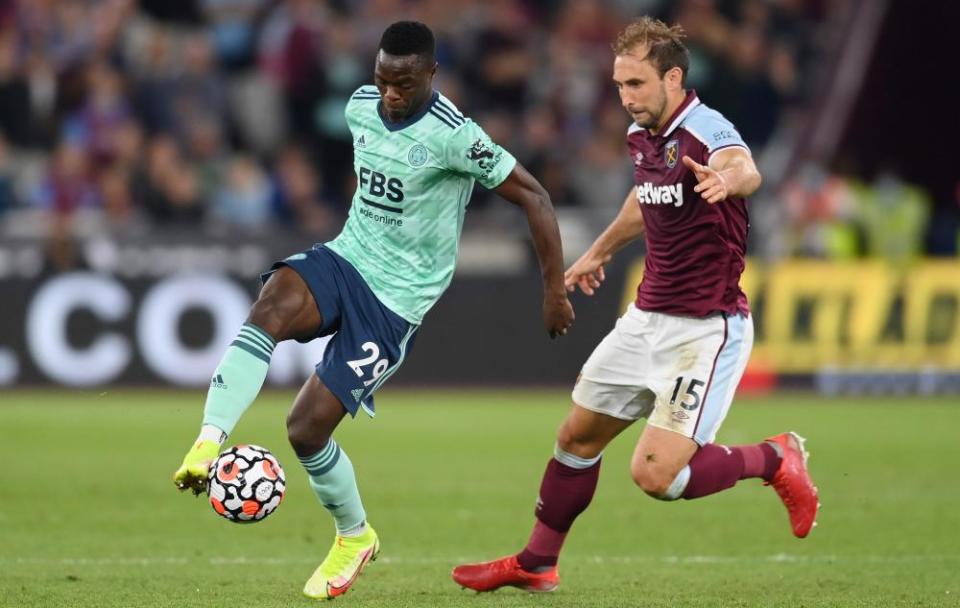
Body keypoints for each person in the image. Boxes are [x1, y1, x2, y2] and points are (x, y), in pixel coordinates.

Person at [172, 21, 575, 600]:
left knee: (305, 430)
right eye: (383, 79)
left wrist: (553, 289)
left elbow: (534, 195)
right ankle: (209, 438)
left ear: (432, 74)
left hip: (395, 301)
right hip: (346, 257)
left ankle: (354, 536)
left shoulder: (456, 136)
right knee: (272, 303)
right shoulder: (360, 106)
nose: (390, 93)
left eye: (404, 84)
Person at [452, 17, 820, 593]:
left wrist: (728, 182)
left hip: (704, 331)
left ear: (673, 77)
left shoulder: (706, 129)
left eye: (637, 85)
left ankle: (775, 458)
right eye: (620, 85)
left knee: (655, 475)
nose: (625, 98)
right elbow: (642, 200)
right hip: (645, 319)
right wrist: (597, 252)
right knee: (576, 437)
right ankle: (537, 562)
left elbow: (743, 165)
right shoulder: (641, 135)